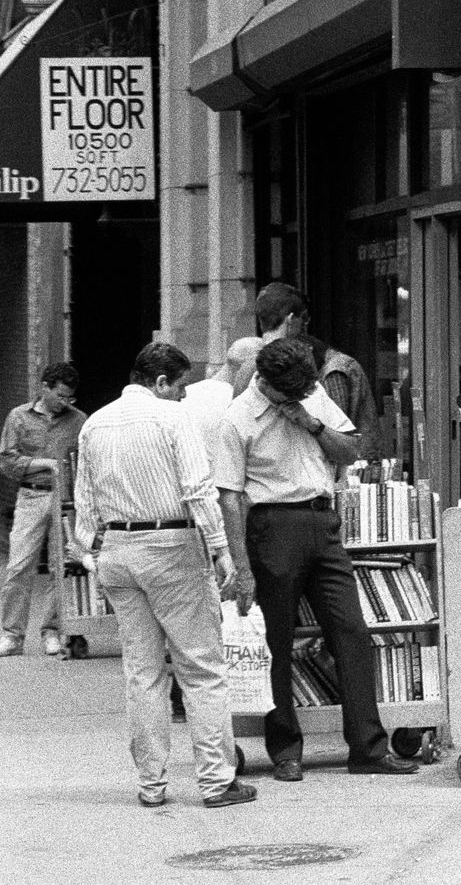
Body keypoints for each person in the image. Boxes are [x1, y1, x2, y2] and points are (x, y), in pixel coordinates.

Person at [213, 337, 417, 780]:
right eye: (292, 394)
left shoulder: (311, 395)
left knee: (351, 630)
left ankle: (367, 748)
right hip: (271, 526)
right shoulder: (236, 420)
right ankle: (285, 750)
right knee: (277, 644)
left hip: (323, 524)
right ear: (264, 382)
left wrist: (311, 422)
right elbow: (229, 499)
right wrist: (242, 568)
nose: (300, 398)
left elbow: (352, 449)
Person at [72, 342, 255, 808]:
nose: (181, 396)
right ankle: (216, 780)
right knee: (201, 668)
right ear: (160, 383)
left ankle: (151, 784)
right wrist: (222, 552)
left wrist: (93, 555)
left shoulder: (94, 423)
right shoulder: (174, 419)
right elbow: (198, 489)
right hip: (172, 546)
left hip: (117, 550)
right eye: (178, 388)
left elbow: (85, 503)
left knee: (142, 673)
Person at [230, 283, 379, 454]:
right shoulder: (302, 364)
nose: (304, 328)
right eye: (304, 319)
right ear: (291, 319)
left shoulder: (245, 368)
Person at [0, 362, 85, 656]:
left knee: (61, 567)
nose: (66, 403)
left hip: (66, 501)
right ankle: (12, 634)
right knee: (19, 565)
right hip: (32, 495)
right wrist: (42, 464)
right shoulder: (19, 417)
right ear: (44, 388)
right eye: (60, 396)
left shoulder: (78, 420)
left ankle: (52, 629)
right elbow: (7, 463)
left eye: (70, 398)